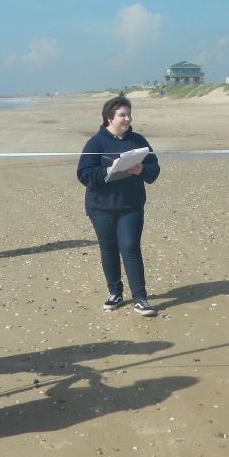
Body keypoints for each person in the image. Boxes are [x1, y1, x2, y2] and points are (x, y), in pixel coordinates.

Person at [77, 96, 161, 316]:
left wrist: (142, 170)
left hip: (131, 205)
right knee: (109, 248)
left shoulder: (138, 141)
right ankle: (115, 292)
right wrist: (108, 170)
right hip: (101, 207)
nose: (127, 118)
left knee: (130, 246)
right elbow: (84, 174)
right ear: (109, 118)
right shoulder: (96, 143)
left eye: (128, 114)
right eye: (122, 115)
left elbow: (154, 170)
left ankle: (140, 298)